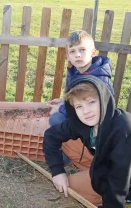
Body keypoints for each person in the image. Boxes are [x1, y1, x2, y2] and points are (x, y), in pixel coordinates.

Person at [43, 75, 131, 207]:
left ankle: (106, 189)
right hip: (105, 160)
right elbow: (51, 135)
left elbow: (119, 181)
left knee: (70, 187)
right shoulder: (81, 121)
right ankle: (92, 169)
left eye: (91, 102)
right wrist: (57, 171)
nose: (86, 111)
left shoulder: (124, 132)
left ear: (103, 100)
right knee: (66, 143)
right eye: (79, 106)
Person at [48, 30, 115, 166]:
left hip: (96, 124)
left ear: (93, 53)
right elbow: (78, 98)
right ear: (67, 56)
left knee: (56, 119)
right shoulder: (75, 71)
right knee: (58, 119)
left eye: (82, 50)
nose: (77, 55)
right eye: (72, 51)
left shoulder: (98, 79)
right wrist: (64, 101)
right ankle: (70, 150)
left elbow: (97, 109)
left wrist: (61, 109)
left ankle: (77, 154)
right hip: (83, 115)